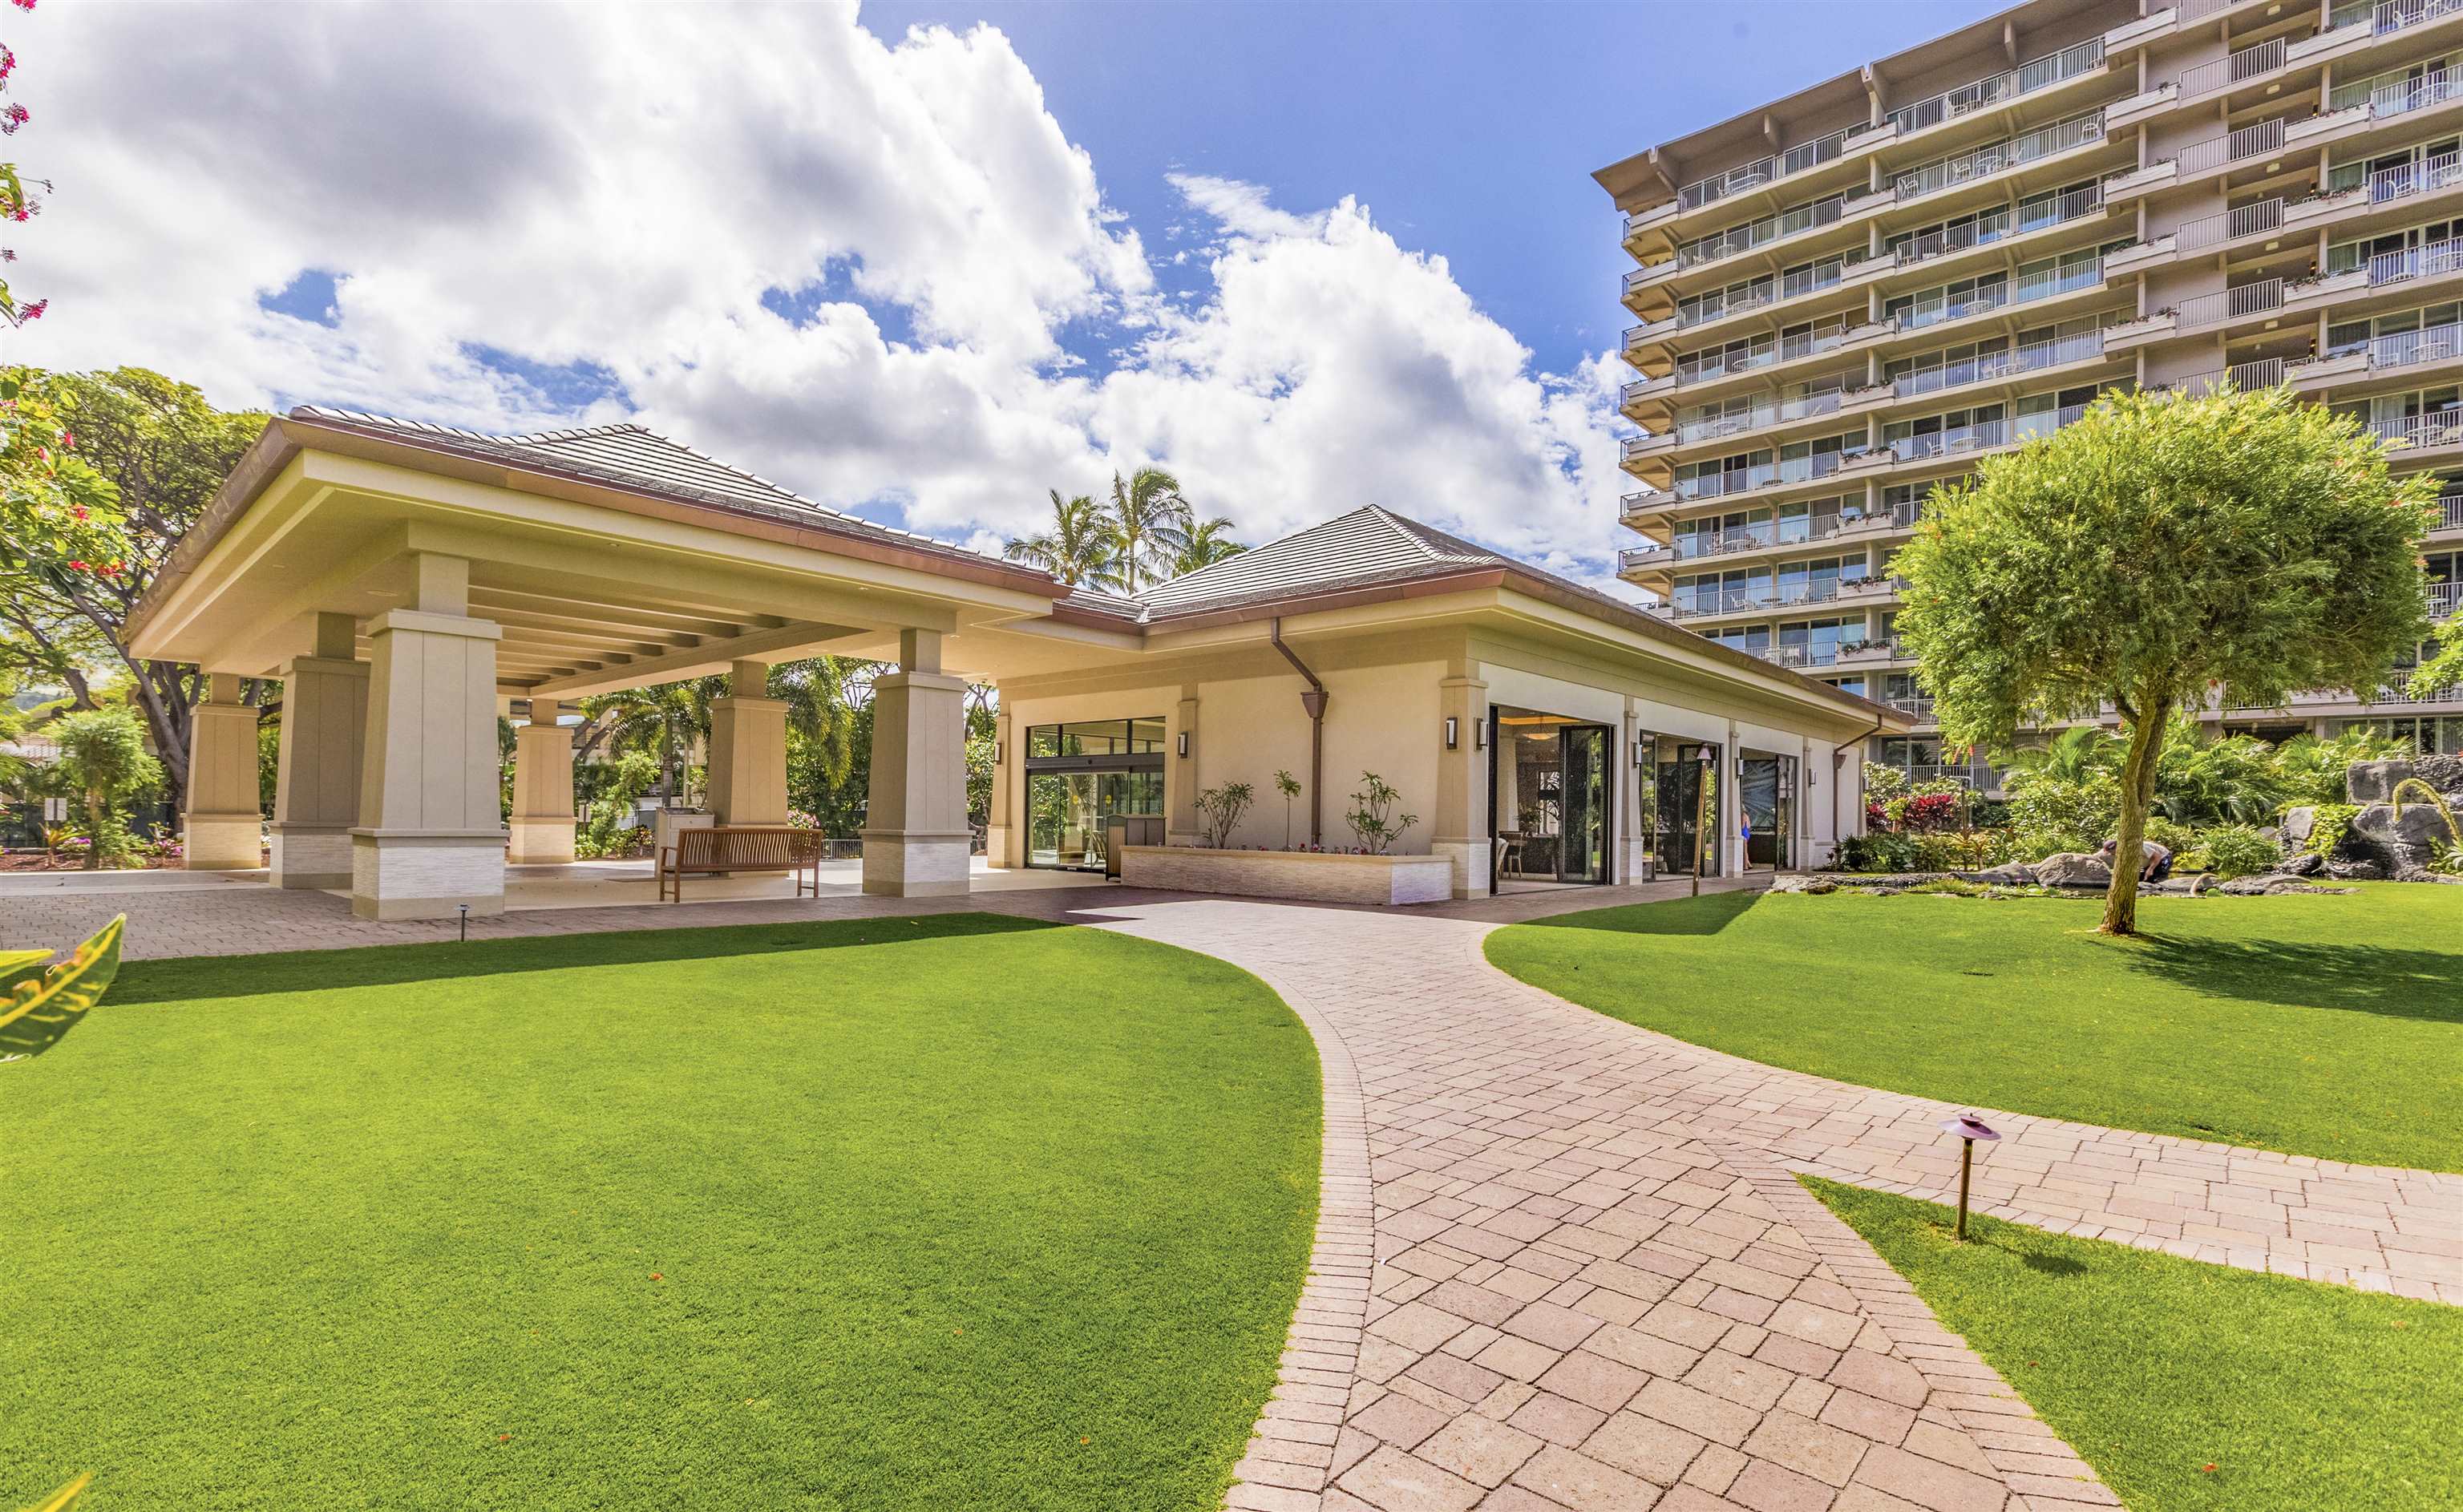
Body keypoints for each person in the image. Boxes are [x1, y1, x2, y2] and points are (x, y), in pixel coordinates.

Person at [2097, 835, 2173, 883]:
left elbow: (2157, 856)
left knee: (2156, 879)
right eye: (2109, 852)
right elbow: (2095, 856)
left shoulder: (2137, 847)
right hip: (2148, 860)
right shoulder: (2107, 851)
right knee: (2142, 880)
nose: (2111, 854)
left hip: (2163, 857)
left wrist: (2151, 869)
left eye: (2113, 852)